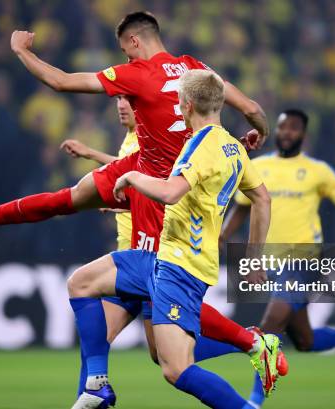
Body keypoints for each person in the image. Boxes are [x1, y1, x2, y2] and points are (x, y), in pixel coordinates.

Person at [0, 11, 278, 396]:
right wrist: (259, 133)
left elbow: (60, 81)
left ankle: (251, 343)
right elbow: (253, 109)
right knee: (72, 202)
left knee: (165, 351)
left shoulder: (139, 72)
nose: (125, 61)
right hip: (145, 170)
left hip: (163, 198)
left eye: (125, 53)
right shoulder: (196, 70)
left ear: (133, 42)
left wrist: (21, 51)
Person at [68, 69, 277, 409]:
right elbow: (263, 199)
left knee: (175, 368)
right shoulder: (232, 148)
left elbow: (171, 193)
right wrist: (254, 256)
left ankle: (247, 375)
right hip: (163, 257)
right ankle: (96, 385)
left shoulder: (200, 146)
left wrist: (132, 176)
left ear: (186, 105)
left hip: (181, 266)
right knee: (82, 283)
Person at [221, 109, 335, 408]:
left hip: (303, 262)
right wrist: (221, 239)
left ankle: (254, 401)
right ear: (275, 131)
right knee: (304, 340)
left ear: (303, 134)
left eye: (293, 128)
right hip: (269, 264)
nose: (287, 133)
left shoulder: (319, 171)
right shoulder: (259, 166)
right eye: (282, 128)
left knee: (269, 326)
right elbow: (241, 208)